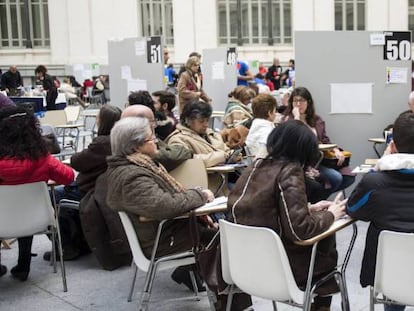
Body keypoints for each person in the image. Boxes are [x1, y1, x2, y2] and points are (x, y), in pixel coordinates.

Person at [228, 120, 347, 311]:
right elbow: (300, 231)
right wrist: (331, 215)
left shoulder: (255, 167)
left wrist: (307, 208)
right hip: (281, 271)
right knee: (325, 255)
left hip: (243, 267)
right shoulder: (290, 171)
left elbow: (264, 212)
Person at [106, 116, 215, 290]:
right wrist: (199, 195)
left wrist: (195, 194)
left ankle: (195, 274)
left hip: (164, 233)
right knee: (224, 239)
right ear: (136, 146)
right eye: (151, 138)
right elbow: (164, 206)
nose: (156, 141)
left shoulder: (137, 167)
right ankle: (230, 300)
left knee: (220, 232)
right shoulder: (132, 176)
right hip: (162, 241)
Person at [347, 112, 414, 311]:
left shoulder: (374, 183)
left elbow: (353, 209)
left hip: (388, 275)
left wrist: (377, 168)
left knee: (393, 288)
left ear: (392, 146)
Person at [0, 106, 74, 281]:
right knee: (26, 210)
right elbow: (69, 177)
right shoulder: (43, 159)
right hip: (36, 220)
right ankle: (23, 265)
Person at [283, 86, 355, 195]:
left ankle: (319, 199)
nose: (298, 104)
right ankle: (318, 201)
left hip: (321, 159)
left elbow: (325, 139)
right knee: (335, 178)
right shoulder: (288, 120)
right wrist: (297, 119)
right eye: (295, 101)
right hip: (302, 163)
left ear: (308, 102)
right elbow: (293, 140)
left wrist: (335, 150)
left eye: (301, 100)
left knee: (348, 176)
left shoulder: (316, 119)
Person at [121, 104, 193, 172]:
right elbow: (172, 156)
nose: (154, 125)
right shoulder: (144, 150)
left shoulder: (122, 143)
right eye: (152, 122)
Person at [245, 93, 277, 159]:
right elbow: (263, 154)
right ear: (269, 113)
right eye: (274, 111)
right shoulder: (268, 131)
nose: (275, 114)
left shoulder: (254, 127)